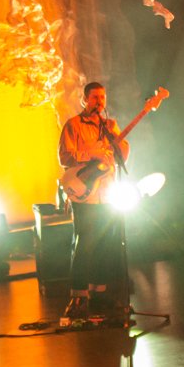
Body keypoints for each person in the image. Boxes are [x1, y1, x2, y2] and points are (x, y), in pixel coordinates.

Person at [56, 80, 131, 319]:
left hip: (107, 194)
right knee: (85, 244)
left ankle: (99, 293)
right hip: (84, 195)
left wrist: (120, 145)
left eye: (102, 97)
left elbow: (121, 157)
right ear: (85, 100)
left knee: (106, 245)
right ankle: (78, 296)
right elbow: (65, 157)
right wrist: (92, 154)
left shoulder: (110, 126)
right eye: (95, 97)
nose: (100, 101)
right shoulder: (73, 125)